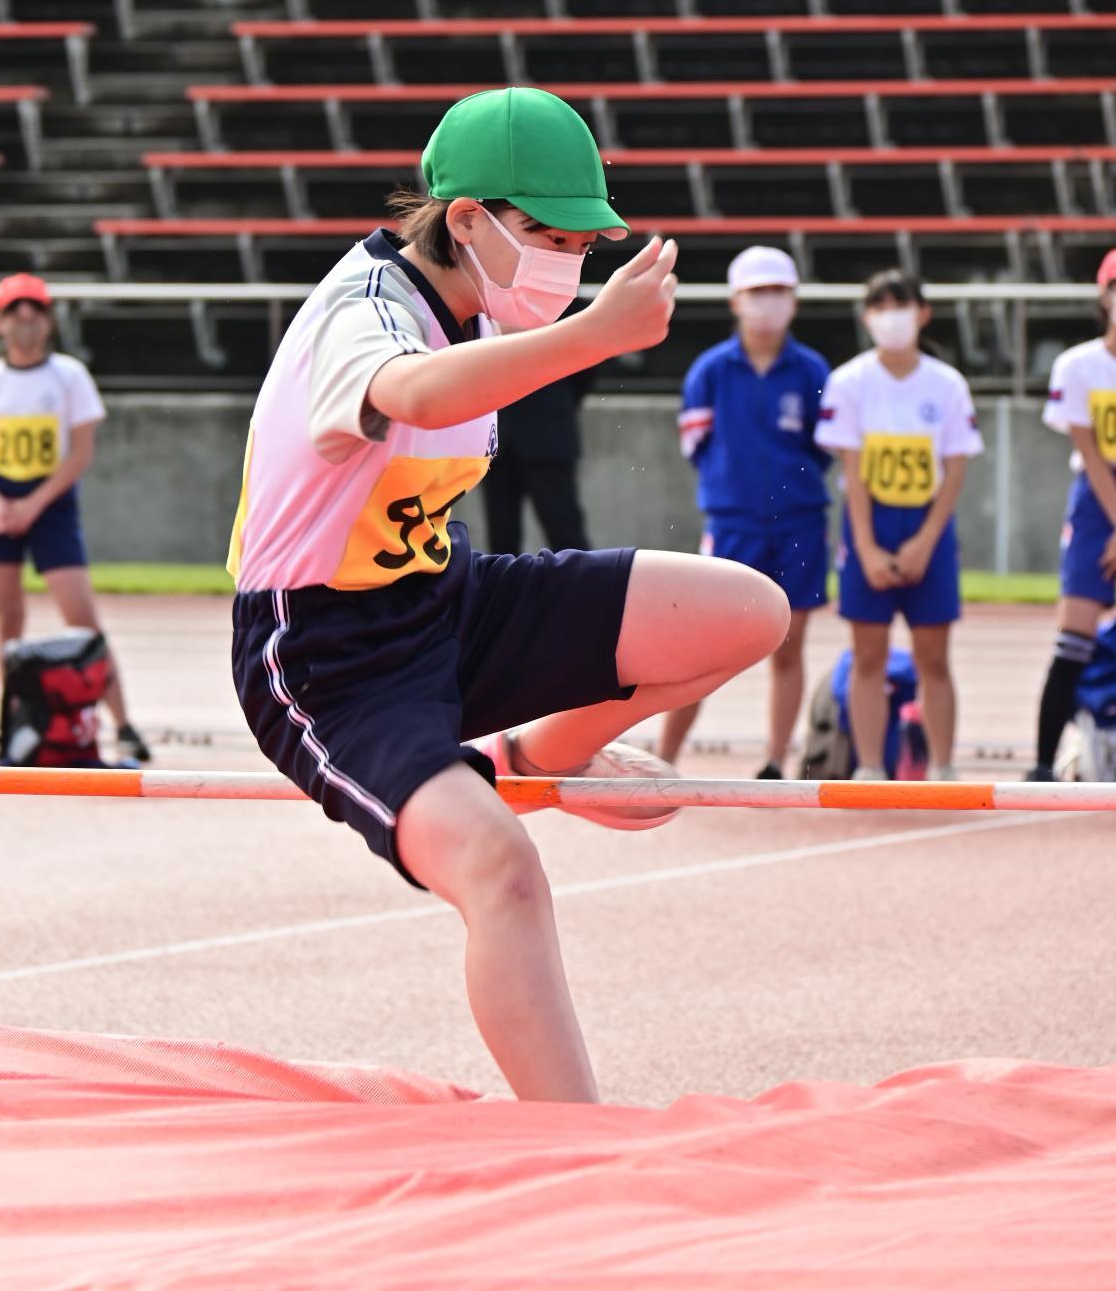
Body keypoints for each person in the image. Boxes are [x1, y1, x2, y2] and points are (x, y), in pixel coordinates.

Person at [228, 87, 789, 1103]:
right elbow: (414, 394)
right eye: (552, 237)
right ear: (467, 220)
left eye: (585, 244)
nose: (570, 267)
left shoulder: (470, 306)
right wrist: (597, 333)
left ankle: (530, 754)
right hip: (325, 656)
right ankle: (576, 1143)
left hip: (448, 599)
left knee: (747, 610)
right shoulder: (366, 311)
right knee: (503, 870)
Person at [0, 271, 151, 762]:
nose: (24, 321)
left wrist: (35, 503)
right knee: (7, 619)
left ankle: (122, 724)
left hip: (52, 503)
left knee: (81, 617)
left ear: (48, 321)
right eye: (14, 312)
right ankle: (16, 721)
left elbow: (79, 453)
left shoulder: (68, 376)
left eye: (34, 311)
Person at [658, 244, 831, 779]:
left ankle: (778, 759)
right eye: (757, 292)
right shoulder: (710, 371)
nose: (768, 303)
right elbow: (696, 443)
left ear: (795, 300)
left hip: (800, 523)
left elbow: (824, 446)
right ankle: (662, 758)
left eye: (779, 291)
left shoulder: (811, 369)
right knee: (703, 648)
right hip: (733, 524)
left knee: (789, 643)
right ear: (736, 300)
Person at [813, 269, 983, 781]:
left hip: (928, 525)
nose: (892, 317)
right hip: (871, 523)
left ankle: (944, 766)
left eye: (901, 305)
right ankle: (868, 767)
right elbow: (853, 472)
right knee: (869, 655)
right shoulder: (849, 383)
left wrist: (926, 542)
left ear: (922, 313)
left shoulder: (947, 384)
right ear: (867, 317)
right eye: (880, 306)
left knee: (934, 657)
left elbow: (955, 468)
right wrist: (864, 546)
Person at [1028, 246, 1116, 780]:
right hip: (1096, 500)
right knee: (1073, 640)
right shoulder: (1079, 366)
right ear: (1104, 296)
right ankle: (1041, 764)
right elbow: (1088, 452)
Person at [483, 363, 591, 554]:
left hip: (547, 434)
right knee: (501, 541)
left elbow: (584, 371)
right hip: (499, 437)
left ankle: (584, 584)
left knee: (565, 533)